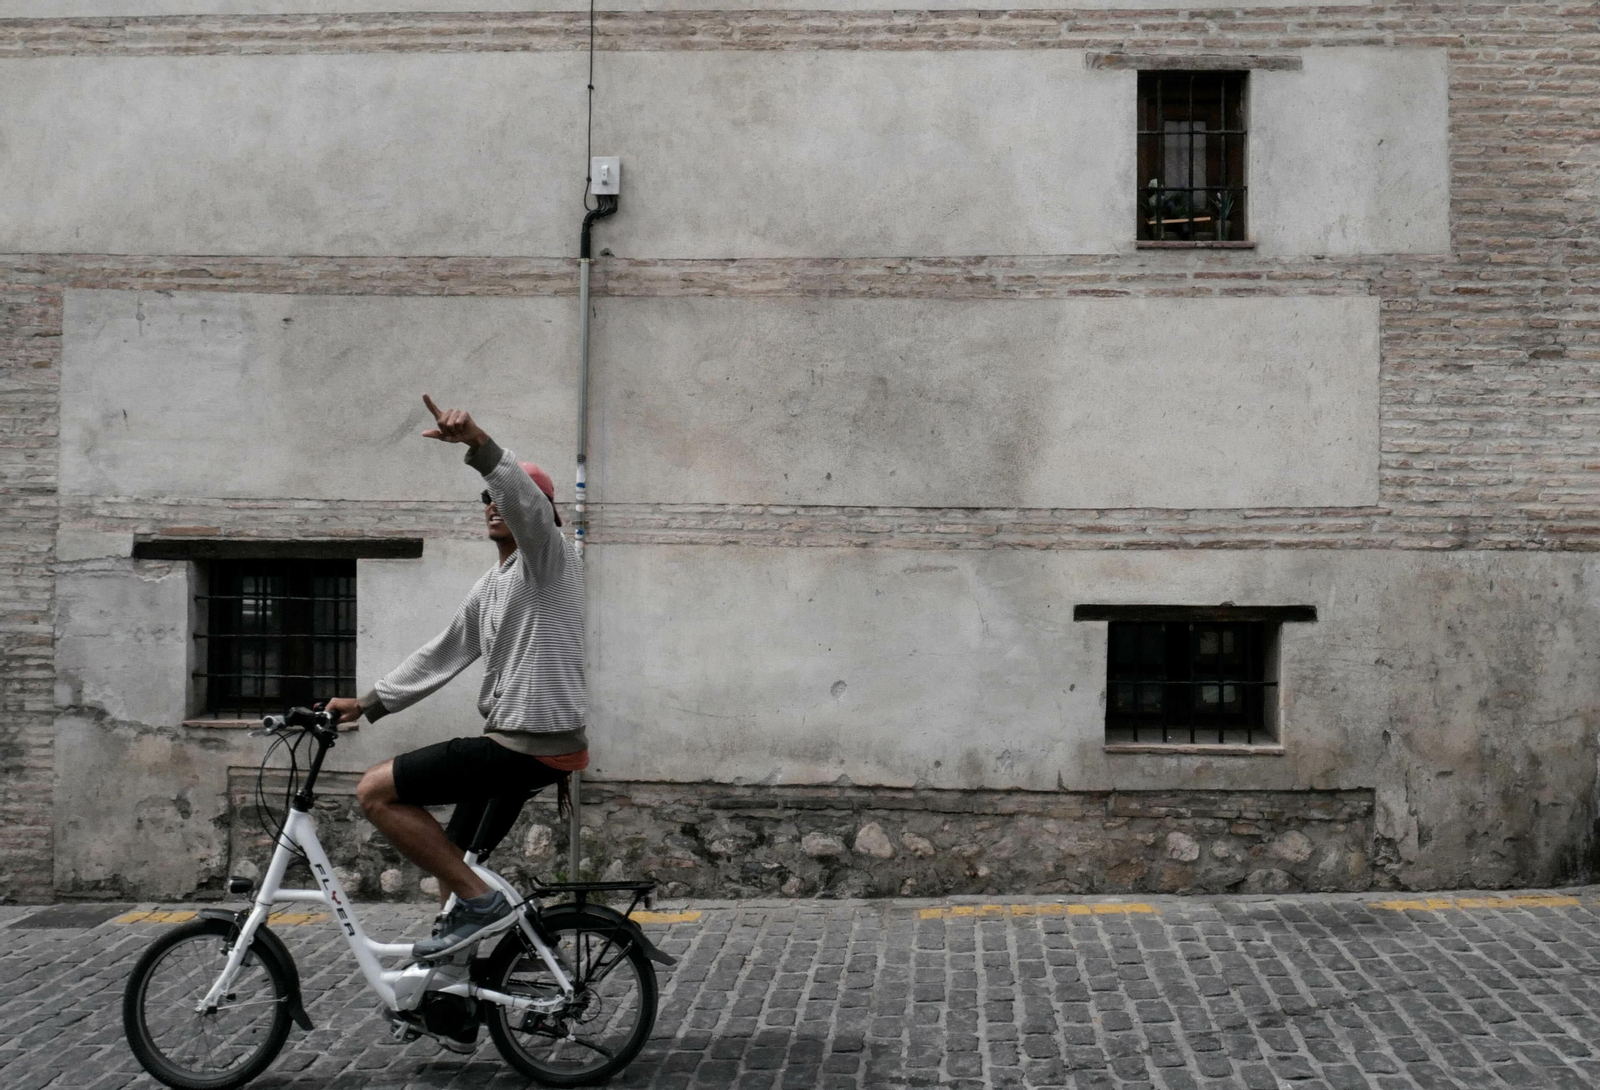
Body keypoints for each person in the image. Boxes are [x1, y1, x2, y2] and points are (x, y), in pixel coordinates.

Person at [324, 394, 587, 960]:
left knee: (376, 791)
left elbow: (526, 503)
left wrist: (477, 444)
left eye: (506, 499)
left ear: (539, 513)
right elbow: (441, 653)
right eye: (486, 499)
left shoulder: (550, 559)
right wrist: (367, 704)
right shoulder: (493, 584)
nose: (495, 505)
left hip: (528, 743)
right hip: (513, 741)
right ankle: (459, 984)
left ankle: (482, 907)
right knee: (456, 860)